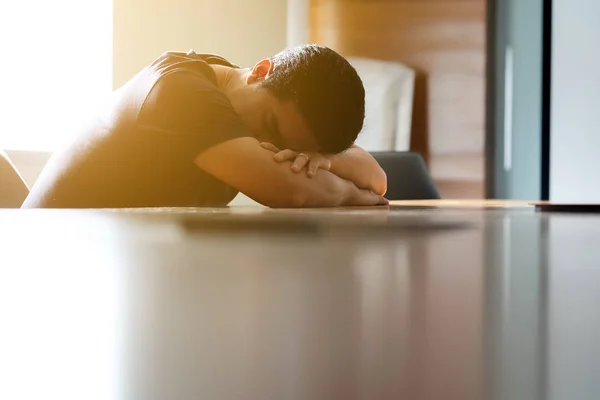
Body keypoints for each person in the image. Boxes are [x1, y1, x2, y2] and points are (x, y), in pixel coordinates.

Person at [22, 45, 388, 209]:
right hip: (52, 265)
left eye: (291, 147)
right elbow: (292, 192)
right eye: (270, 125)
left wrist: (322, 159)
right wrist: (350, 195)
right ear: (260, 73)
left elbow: (376, 177)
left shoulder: (228, 89)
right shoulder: (180, 92)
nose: (269, 147)